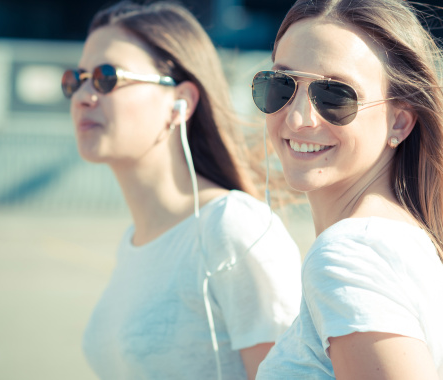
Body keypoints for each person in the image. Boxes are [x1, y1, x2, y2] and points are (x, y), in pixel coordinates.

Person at [251, 0, 443, 379]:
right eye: (281, 85)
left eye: (335, 96)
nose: (297, 118)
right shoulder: (402, 240)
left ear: (399, 122)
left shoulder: (348, 254)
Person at [61, 2, 302, 379]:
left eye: (107, 77)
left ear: (181, 102)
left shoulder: (231, 226)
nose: (83, 96)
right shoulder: (133, 242)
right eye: (76, 80)